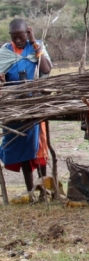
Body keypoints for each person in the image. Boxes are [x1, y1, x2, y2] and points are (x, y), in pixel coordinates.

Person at [0, 18, 52, 193]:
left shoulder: (36, 46)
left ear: (27, 33)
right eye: (14, 37)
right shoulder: (4, 52)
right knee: (21, 146)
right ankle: (30, 190)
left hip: (35, 103)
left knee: (39, 146)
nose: (17, 40)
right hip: (15, 105)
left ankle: (44, 187)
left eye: (21, 36)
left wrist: (34, 42)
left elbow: (45, 69)